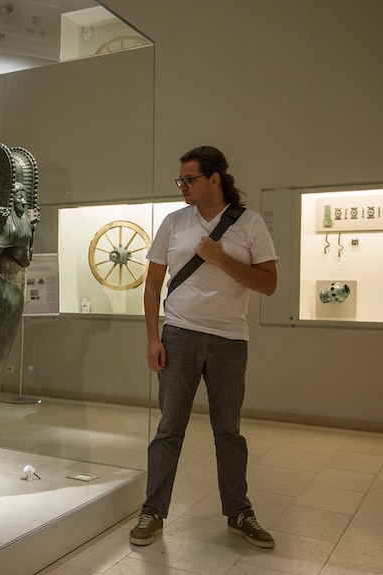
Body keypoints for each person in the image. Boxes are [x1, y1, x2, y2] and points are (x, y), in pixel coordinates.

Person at [130, 146, 279, 549]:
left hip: (231, 340)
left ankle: (239, 512)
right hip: (178, 335)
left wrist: (219, 258)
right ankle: (153, 511)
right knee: (168, 430)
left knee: (228, 432)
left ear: (215, 178)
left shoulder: (249, 224)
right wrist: (152, 338)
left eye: (191, 179)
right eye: (181, 180)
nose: (184, 187)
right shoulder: (174, 223)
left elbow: (268, 283)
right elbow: (151, 284)